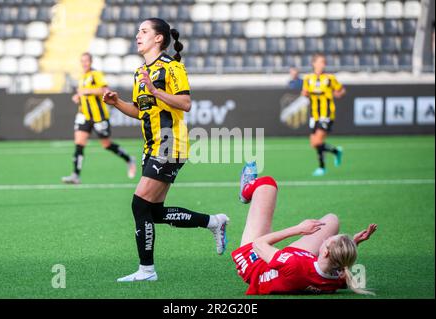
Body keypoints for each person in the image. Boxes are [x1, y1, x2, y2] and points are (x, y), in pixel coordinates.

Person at [102, 18, 229, 282]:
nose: (138, 35)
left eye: (144, 31)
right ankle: (213, 222)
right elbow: (140, 112)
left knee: (139, 205)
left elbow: (185, 103)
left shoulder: (172, 67)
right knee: (154, 212)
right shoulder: (140, 72)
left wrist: (156, 92)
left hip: (170, 143)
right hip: (152, 146)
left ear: (159, 38)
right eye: (138, 30)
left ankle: (146, 270)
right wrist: (117, 103)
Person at [233, 162, 377, 295]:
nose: (325, 238)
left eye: (327, 241)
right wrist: (353, 243)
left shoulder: (293, 264)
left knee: (267, 183)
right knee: (332, 221)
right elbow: (342, 269)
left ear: (326, 252)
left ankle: (245, 192)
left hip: (255, 263)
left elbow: (258, 244)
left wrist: (298, 229)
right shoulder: (335, 278)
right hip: (295, 267)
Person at [62, 52, 136, 184]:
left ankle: (129, 159)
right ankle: (75, 175)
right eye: (82, 61)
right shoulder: (82, 77)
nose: (84, 63)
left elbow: (105, 90)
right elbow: (84, 94)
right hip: (84, 115)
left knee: (106, 145)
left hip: (99, 117)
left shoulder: (96, 75)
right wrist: (78, 97)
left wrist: (87, 91)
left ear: (91, 62)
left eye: (86, 61)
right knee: (79, 144)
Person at [302, 54, 346, 177]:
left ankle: (322, 168)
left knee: (317, 141)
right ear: (314, 63)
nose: (323, 64)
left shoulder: (330, 78)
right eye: (321, 62)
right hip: (314, 114)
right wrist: (305, 93)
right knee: (314, 143)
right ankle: (336, 151)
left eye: (324, 62)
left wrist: (339, 94)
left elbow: (341, 90)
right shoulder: (308, 79)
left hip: (326, 114)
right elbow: (304, 92)